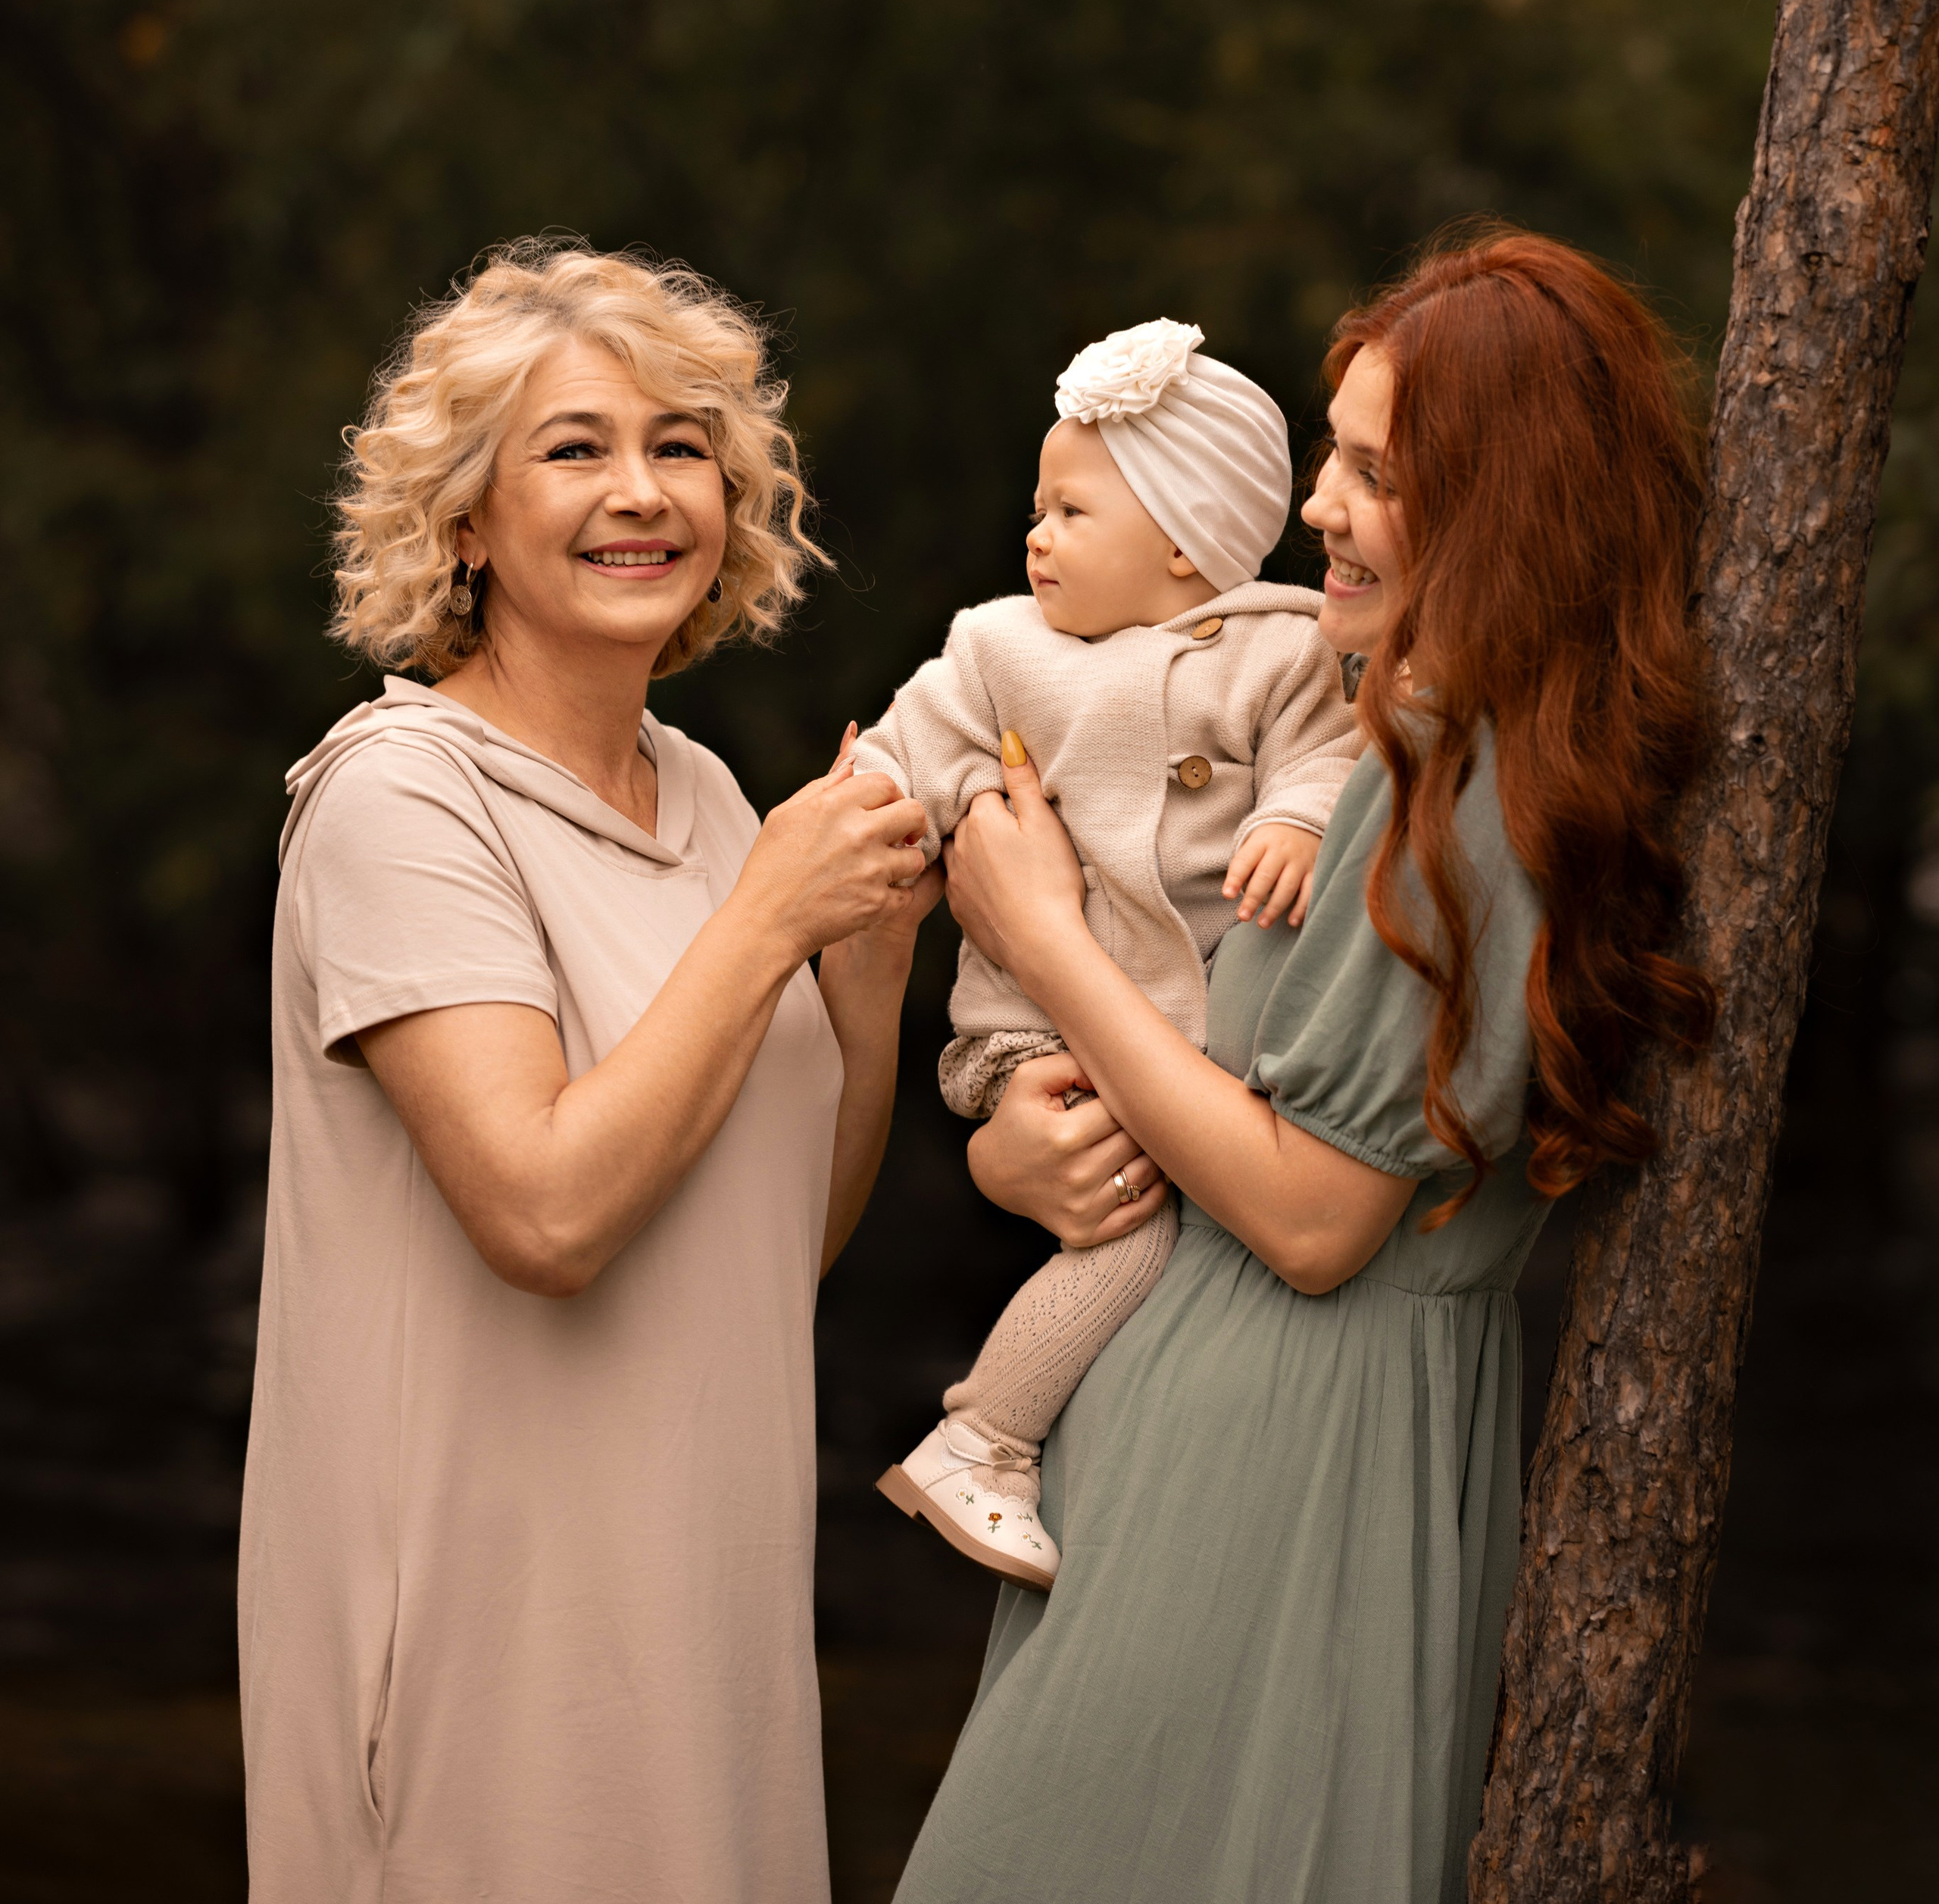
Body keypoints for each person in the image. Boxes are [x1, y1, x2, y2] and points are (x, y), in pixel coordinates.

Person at [894, 226, 1714, 1904]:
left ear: (1505, 509)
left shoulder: (1479, 786)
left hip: (1285, 1460)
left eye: (1372, 474)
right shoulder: (1385, 740)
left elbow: (1316, 1216)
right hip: (1194, 1420)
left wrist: (1039, 933)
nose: (1316, 508)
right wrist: (1007, 1145)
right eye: (1331, 457)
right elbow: (1205, 1088)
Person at [238, 241, 935, 1904]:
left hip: (705, 1630)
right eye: (575, 447)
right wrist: (771, 918)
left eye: (680, 445)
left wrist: (869, 978)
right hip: (493, 1647)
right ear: (467, 519)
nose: (642, 491)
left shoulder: (707, 796)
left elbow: (775, 1244)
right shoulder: (402, 798)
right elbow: (545, 1213)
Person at [859, 319, 1359, 1586]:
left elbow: (1329, 753)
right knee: (1135, 1230)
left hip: (1177, 1035)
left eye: (1071, 512)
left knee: (1176, 1219)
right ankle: (983, 1437)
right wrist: (869, 804)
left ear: (1185, 541)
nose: (1035, 535)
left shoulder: (1287, 648)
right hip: (1027, 1025)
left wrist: (1297, 818)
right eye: (1039, 508)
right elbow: (904, 756)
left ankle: (1049, 1449)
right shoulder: (1000, 647)